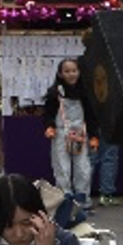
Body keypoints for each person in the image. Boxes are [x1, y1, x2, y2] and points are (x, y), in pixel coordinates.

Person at [42, 59, 96, 209]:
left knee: (83, 169)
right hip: (60, 134)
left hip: (80, 134)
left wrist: (94, 136)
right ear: (60, 73)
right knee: (62, 169)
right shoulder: (55, 93)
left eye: (74, 71)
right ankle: (65, 201)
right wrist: (50, 127)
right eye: (67, 71)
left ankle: (82, 200)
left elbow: (91, 116)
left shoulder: (85, 92)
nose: (71, 74)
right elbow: (48, 114)